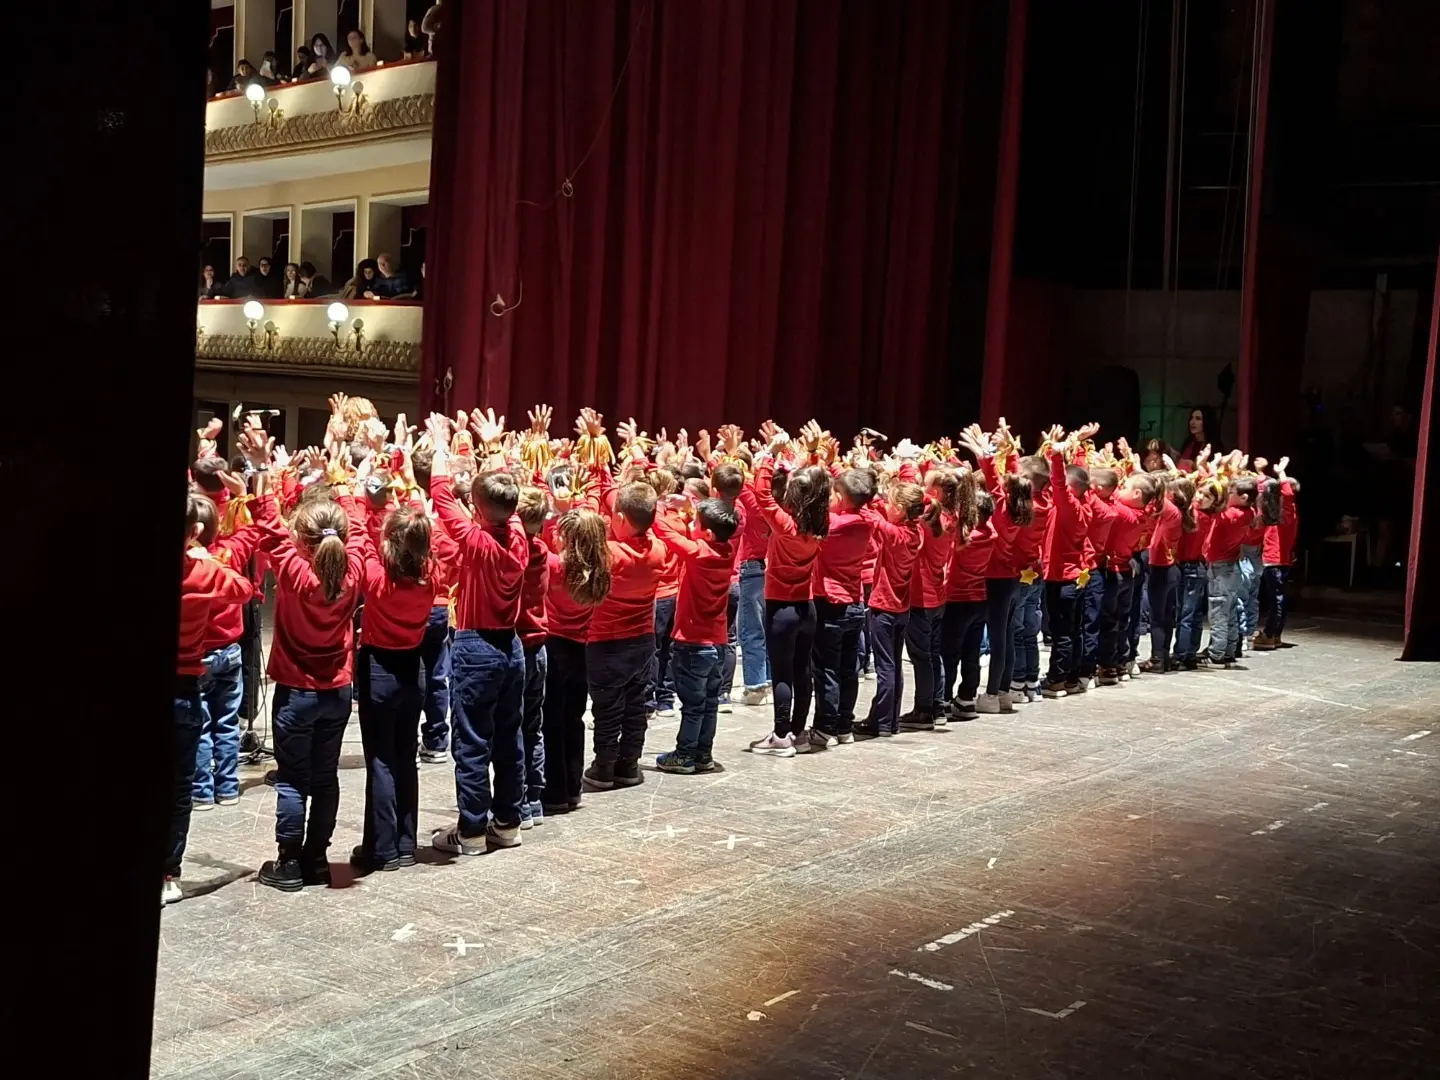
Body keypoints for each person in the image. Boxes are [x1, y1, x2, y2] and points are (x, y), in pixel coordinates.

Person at [251, 421, 368, 892]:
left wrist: (261, 467)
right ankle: (319, 859)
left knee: (293, 781)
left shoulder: (297, 572)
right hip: (337, 691)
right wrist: (349, 478)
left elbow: (267, 525)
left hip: (297, 693)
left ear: (302, 540)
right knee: (325, 778)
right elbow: (357, 528)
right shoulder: (354, 569)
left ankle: (289, 863)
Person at [424, 408, 530, 852]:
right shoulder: (519, 535)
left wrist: (443, 444)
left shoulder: (476, 540)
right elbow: (502, 495)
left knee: (471, 741)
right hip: (512, 647)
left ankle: (469, 831)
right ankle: (507, 824)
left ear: (478, 509)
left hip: (475, 646)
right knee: (509, 738)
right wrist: (489, 447)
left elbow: (440, 493)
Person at [345, 436, 434, 872]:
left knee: (380, 760)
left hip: (379, 667)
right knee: (405, 758)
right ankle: (404, 843)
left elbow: (360, 538)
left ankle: (380, 849)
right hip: (412, 670)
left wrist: (363, 493)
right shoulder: (428, 580)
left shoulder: (377, 578)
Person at [171, 491, 256, 905]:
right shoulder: (205, 572)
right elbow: (243, 590)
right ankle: (168, 872)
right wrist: (208, 558)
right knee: (177, 788)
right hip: (184, 683)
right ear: (196, 532)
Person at [579, 413, 668, 790]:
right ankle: (629, 764)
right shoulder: (660, 549)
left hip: (606, 642)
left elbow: (592, 511)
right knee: (636, 705)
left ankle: (603, 766)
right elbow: (625, 505)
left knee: (607, 708)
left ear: (617, 517)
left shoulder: (609, 552)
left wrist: (599, 463)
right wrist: (634, 459)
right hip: (642, 641)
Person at [747, 423, 831, 755]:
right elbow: (820, 487)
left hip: (780, 608)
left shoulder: (786, 526)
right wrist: (811, 454)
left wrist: (770, 455)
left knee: (782, 673)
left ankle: (780, 736)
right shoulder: (821, 524)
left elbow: (762, 494)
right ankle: (798, 732)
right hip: (806, 608)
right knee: (802, 671)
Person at [653, 496, 740, 773]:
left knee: (692, 704)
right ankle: (703, 753)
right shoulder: (727, 551)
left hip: (693, 642)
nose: (690, 524)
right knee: (709, 702)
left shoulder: (699, 553)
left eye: (695, 522)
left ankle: (684, 754)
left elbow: (663, 531)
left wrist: (656, 506)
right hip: (717, 642)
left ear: (708, 533)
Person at [809, 466, 876, 746]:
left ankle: (825, 728)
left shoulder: (833, 525)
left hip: (830, 604)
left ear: (838, 495)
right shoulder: (869, 520)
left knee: (826, 669)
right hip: (855, 602)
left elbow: (810, 511)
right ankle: (844, 726)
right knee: (849, 669)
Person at [858, 464, 925, 736]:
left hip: (884, 606)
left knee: (886, 667)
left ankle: (882, 722)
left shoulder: (895, 534)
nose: (886, 505)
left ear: (901, 508)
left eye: (891, 503)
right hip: (902, 608)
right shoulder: (916, 533)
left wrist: (866, 496)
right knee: (894, 666)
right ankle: (891, 719)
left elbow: (869, 516)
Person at [901, 467, 962, 730]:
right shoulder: (950, 515)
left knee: (921, 656)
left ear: (934, 492)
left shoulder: (926, 520)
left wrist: (905, 468)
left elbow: (908, 497)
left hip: (920, 596)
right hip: (937, 595)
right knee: (933, 653)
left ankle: (925, 709)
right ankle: (937, 704)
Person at [1040, 424, 1098, 697]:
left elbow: (1063, 482)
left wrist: (1056, 457)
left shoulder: (1071, 507)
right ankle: (1073, 677)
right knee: (1072, 631)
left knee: (1062, 632)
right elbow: (1079, 476)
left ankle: (1057, 679)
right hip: (1073, 575)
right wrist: (1078, 446)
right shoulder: (1085, 501)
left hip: (1062, 578)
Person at [514, 486, 551, 828]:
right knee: (532, 726)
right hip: (539, 645)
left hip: (518, 645)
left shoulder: (512, 555)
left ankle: (518, 804)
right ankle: (533, 799)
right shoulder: (543, 550)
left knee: (513, 727)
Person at [1201, 464, 1258, 669]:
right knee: (1230, 609)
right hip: (1231, 565)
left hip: (1221, 566)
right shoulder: (1249, 512)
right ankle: (1229, 651)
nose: (1228, 495)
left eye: (1232, 493)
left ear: (1243, 497)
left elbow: (1213, 507)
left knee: (1218, 611)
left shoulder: (1231, 514)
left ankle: (1216, 654)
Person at [1255, 458, 1299, 649]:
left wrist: (1281, 472)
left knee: (1276, 599)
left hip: (1275, 560)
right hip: (1278, 559)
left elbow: (1287, 493)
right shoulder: (1278, 513)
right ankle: (1275, 634)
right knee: (1277, 598)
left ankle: (1271, 633)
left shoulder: (1288, 511)